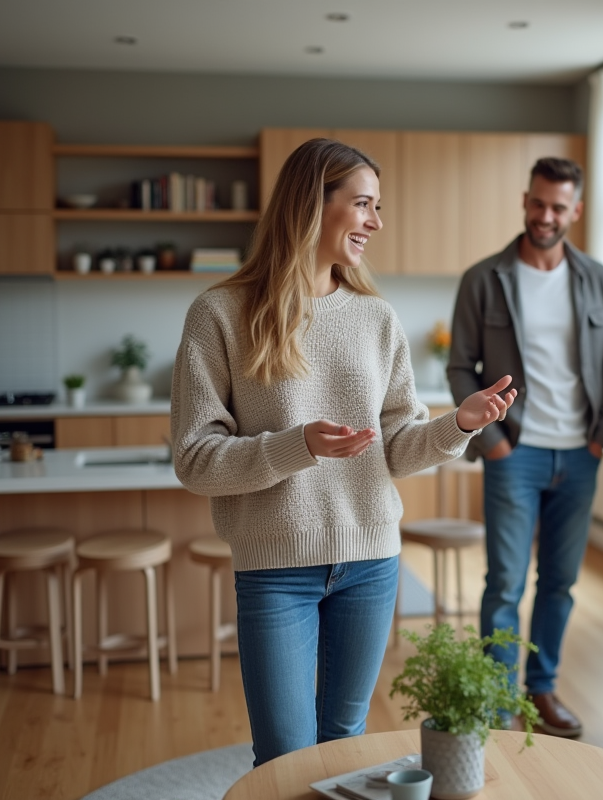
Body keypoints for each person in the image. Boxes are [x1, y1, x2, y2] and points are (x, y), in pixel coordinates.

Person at [171, 138, 517, 766]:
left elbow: (397, 451)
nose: (376, 223)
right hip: (276, 567)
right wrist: (294, 446)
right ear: (311, 204)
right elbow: (195, 459)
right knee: (282, 757)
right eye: (363, 204)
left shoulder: (377, 320)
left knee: (343, 748)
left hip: (371, 562)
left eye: (377, 207)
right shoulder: (219, 315)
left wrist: (457, 425)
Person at [448, 157, 603, 738]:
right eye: (538, 203)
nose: (546, 216)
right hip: (513, 453)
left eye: (558, 207)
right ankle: (497, 704)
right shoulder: (485, 277)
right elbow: (458, 365)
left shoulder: (595, 277)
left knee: (560, 582)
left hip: (579, 455)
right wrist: (491, 441)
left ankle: (541, 690)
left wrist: (601, 436)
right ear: (525, 200)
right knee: (505, 584)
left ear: (576, 210)